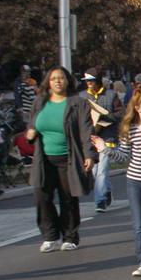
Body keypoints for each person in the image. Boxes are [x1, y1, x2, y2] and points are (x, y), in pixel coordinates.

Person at [92, 89, 141, 276]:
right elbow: (123, 156)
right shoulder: (129, 130)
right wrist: (104, 149)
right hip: (135, 181)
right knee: (139, 225)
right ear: (138, 108)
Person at [26, 66, 94, 252]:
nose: (57, 81)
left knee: (68, 198)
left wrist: (89, 155)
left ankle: (70, 237)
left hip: (69, 158)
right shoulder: (40, 102)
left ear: (67, 81)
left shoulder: (77, 103)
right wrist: (30, 134)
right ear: (48, 82)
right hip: (44, 158)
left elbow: (86, 130)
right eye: (53, 78)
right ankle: (50, 236)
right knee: (41, 196)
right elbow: (32, 125)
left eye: (61, 78)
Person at [80, 67, 124, 213]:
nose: (89, 84)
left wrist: (105, 118)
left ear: (98, 80)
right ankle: (107, 192)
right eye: (87, 81)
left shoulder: (111, 95)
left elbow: (120, 113)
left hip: (107, 138)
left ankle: (100, 202)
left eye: (91, 81)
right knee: (94, 172)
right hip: (90, 139)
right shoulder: (82, 96)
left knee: (102, 172)